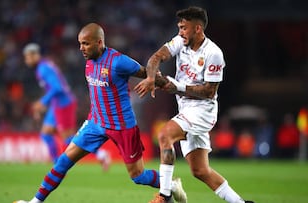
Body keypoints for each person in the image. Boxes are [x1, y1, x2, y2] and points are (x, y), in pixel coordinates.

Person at [14, 23, 187, 203]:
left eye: (86, 44)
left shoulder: (119, 61)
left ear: (99, 42)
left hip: (122, 126)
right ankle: (35, 202)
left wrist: (157, 82)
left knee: (138, 176)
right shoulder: (88, 61)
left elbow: (146, 72)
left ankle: (171, 186)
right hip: (95, 123)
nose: (81, 48)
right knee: (63, 161)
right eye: (80, 43)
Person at [135, 7, 255, 203]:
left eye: (184, 28)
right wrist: (150, 78)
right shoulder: (180, 42)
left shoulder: (213, 53)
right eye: (179, 28)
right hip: (186, 108)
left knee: (165, 135)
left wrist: (177, 86)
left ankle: (164, 196)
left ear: (197, 28)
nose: (180, 32)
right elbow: (156, 57)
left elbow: (209, 92)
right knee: (200, 171)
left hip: (203, 110)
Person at [23, 43, 110, 169]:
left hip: (63, 104)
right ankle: (56, 164)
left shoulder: (43, 69)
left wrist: (43, 102)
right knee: (46, 133)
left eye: (28, 57)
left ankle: (100, 154)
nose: (27, 60)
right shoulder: (44, 66)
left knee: (68, 138)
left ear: (34, 55)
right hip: (56, 104)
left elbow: (57, 88)